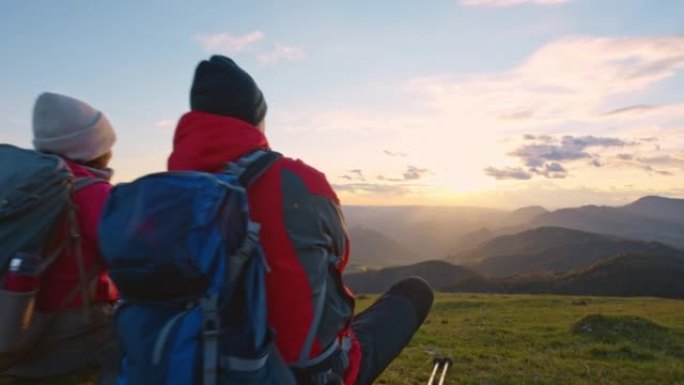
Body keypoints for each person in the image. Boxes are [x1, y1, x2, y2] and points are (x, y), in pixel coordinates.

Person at [167, 55, 434, 385]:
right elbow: (338, 259)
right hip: (304, 376)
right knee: (414, 291)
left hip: (182, 366)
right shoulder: (299, 182)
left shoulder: (155, 197)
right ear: (255, 120)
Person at [3, 92, 119, 380]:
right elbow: (137, 261)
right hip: (72, 339)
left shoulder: (21, 189)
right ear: (97, 147)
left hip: (13, 331)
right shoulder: (94, 193)